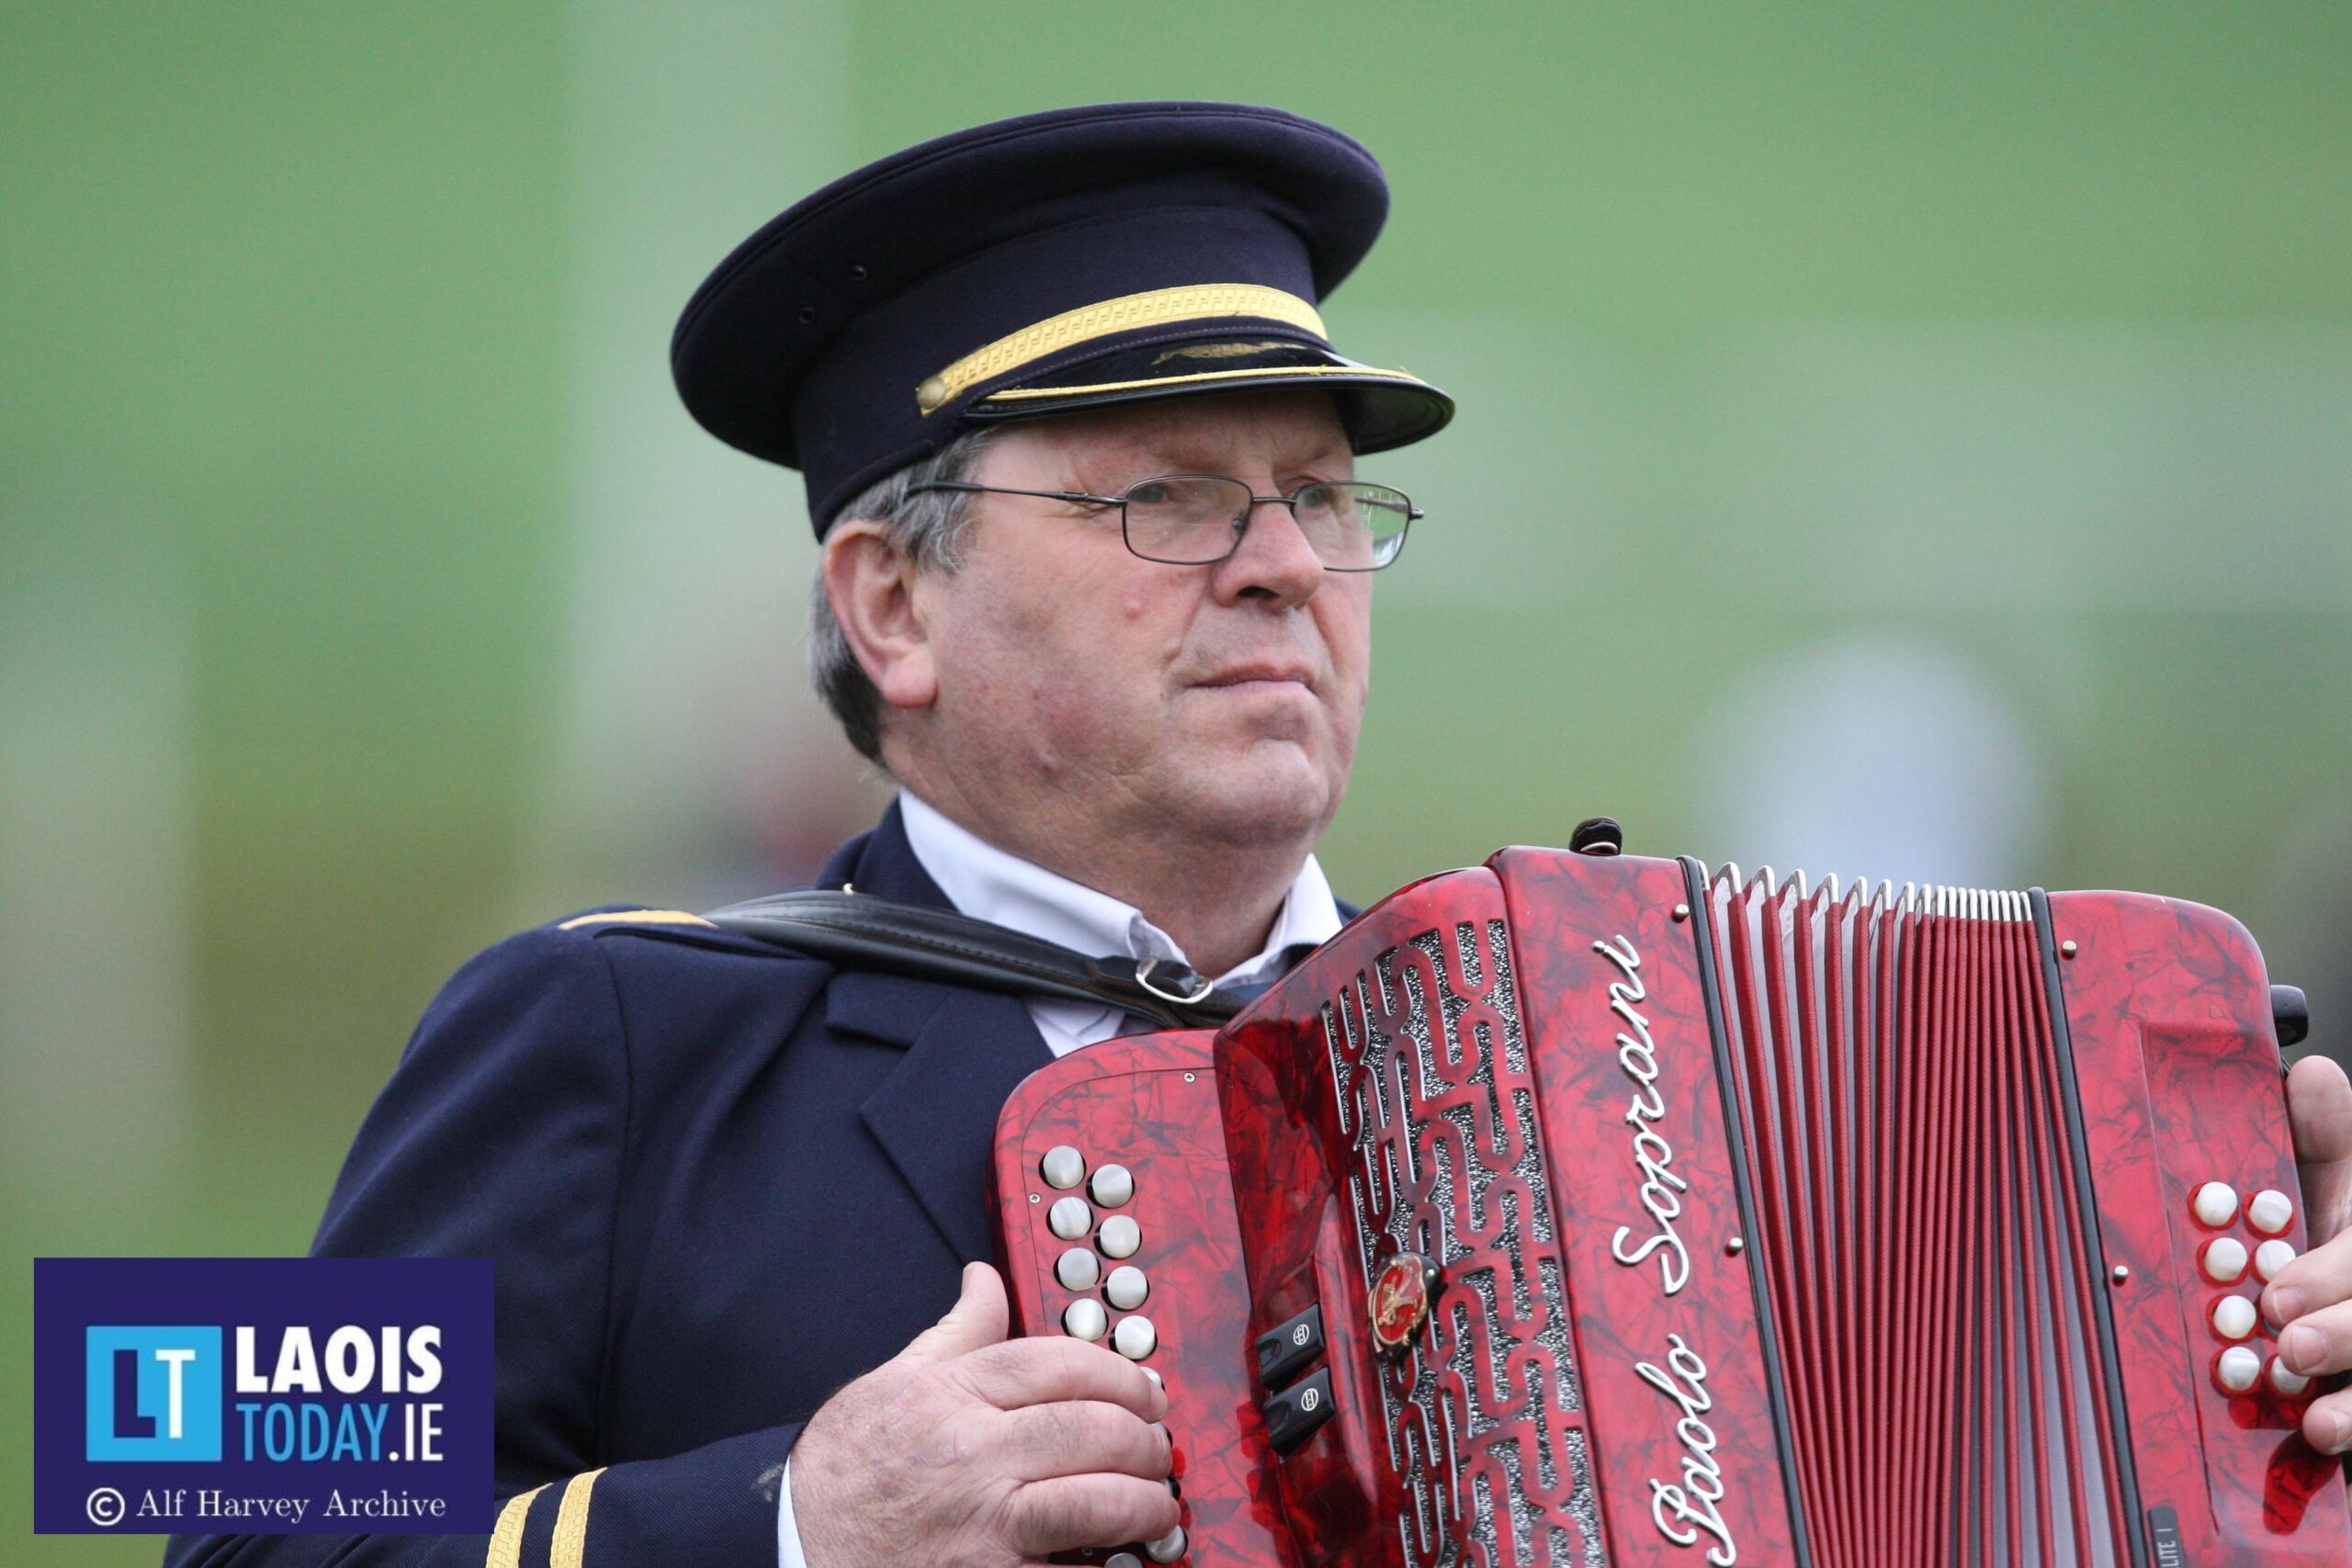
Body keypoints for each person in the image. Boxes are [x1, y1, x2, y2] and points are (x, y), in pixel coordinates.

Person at [166, 101, 2352, 1568]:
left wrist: (2273, 1406)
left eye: (1316, 494)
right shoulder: (599, 1024)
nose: (1281, 561)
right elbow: (187, 1479)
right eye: (1163, 495)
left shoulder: (1611, 1058)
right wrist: (793, 1520)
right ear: (889, 602)